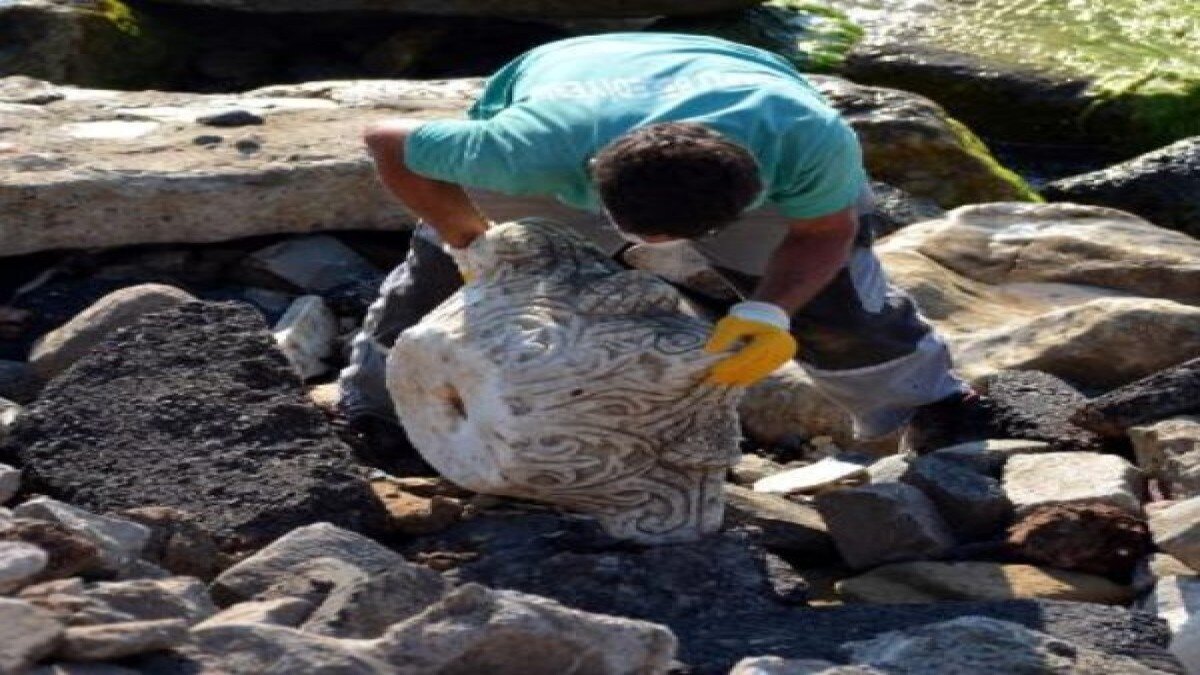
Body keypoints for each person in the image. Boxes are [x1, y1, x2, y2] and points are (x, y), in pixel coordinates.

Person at [338, 32, 980, 455]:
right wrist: (465, 238)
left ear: (753, 190)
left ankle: (927, 404)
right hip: (576, 82)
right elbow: (387, 140)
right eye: (637, 234)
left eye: (682, 239)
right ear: (591, 181)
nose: (652, 248)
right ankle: (377, 406)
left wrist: (771, 311)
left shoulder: (805, 139)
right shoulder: (525, 149)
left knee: (836, 304)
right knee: (445, 278)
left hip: (734, 80)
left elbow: (824, 232)